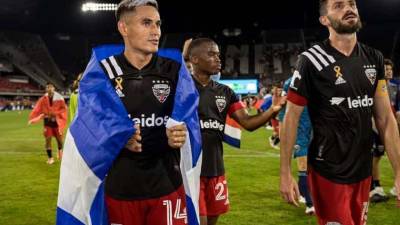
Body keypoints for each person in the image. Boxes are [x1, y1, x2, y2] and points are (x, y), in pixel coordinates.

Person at [279, 1, 400, 225]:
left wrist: (399, 171)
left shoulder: (374, 58)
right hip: (328, 169)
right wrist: (285, 172)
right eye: (339, 5)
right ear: (325, 20)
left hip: (362, 170)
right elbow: (291, 117)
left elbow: (385, 118)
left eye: (352, 4)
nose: (349, 8)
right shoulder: (310, 61)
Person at [102, 1, 190, 225]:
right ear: (124, 28)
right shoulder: (103, 73)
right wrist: (119, 137)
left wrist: (182, 132)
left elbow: (193, 120)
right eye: (146, 23)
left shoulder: (175, 71)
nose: (156, 31)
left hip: (167, 186)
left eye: (158, 24)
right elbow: (87, 128)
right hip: (121, 189)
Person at [187, 38, 285, 225]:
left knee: (211, 221)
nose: (218, 58)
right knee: (198, 221)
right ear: (194, 59)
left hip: (216, 169)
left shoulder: (226, 92)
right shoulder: (181, 88)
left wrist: (273, 109)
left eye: (218, 54)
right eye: (211, 54)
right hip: (191, 171)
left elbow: (247, 123)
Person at [277, 77, 314, 215]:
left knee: (315, 166)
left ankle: (304, 193)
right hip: (298, 129)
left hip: (316, 127)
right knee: (303, 165)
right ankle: (311, 205)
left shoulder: (319, 76)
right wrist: (281, 131)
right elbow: (283, 109)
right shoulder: (290, 83)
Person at [369, 59, 397, 202]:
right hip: (376, 129)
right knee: (375, 157)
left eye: (390, 69)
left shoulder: (393, 88)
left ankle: (391, 186)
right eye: (386, 69)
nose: (389, 72)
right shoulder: (374, 88)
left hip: (390, 128)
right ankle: (375, 187)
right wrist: (378, 130)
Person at [28, 83, 67, 164]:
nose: (49, 88)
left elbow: (64, 109)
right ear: (46, 89)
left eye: (50, 87)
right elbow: (37, 109)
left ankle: (60, 151)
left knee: (59, 141)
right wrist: (33, 118)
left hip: (57, 123)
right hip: (47, 122)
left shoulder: (59, 98)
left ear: (54, 88)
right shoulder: (43, 98)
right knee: (47, 140)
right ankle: (50, 158)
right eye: (47, 87)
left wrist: (55, 113)